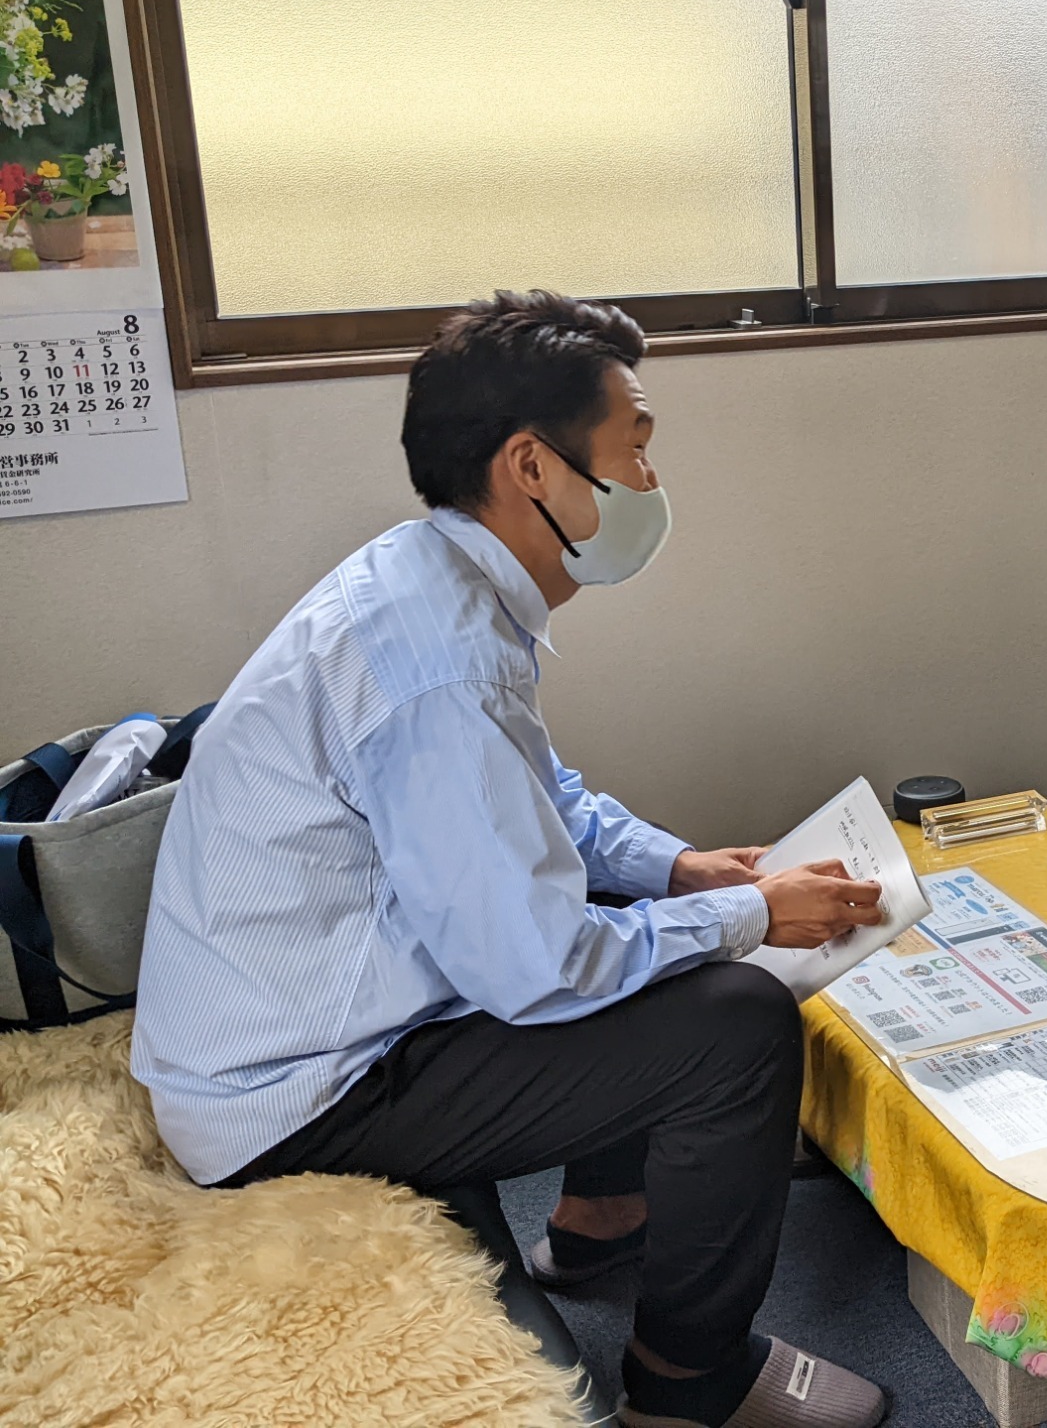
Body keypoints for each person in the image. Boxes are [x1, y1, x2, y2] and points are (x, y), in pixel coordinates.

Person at [132, 291, 891, 1428]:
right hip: (292, 1098)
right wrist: (750, 918)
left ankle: (600, 1225)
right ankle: (689, 1386)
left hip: (289, 1031)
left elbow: (541, 801)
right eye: (635, 447)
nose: (651, 482)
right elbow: (534, 967)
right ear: (533, 466)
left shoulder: (428, 581)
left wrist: (682, 870)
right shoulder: (441, 662)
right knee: (737, 1025)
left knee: (643, 914)